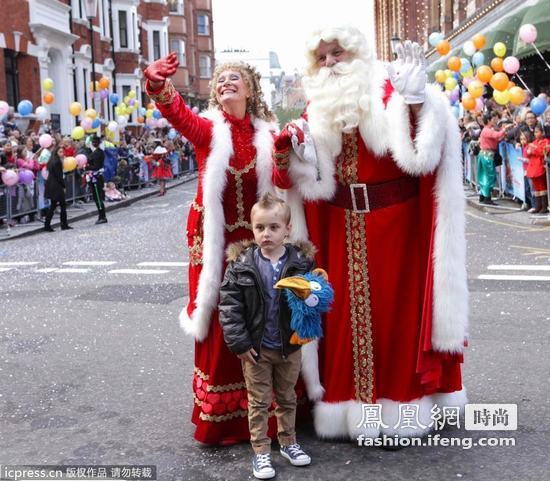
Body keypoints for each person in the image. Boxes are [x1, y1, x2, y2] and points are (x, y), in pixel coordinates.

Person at [272, 26, 468, 442]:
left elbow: (421, 156)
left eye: (336, 53)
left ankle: (400, 409)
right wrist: (295, 155)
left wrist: (416, 103)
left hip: (396, 230)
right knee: (342, 319)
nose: (329, 64)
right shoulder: (317, 110)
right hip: (340, 233)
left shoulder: (387, 93)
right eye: (321, 58)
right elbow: (301, 181)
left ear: (356, 54)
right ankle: (351, 410)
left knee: (396, 320)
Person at [144, 54, 280, 445]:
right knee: (223, 322)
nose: (225, 84)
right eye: (220, 81)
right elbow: (179, 115)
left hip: (259, 241)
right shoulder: (210, 131)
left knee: (263, 319)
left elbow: (287, 177)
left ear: (251, 89)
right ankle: (225, 420)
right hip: (215, 242)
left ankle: (269, 411)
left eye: (234, 78)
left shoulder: (267, 136)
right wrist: (158, 86)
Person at [219, 194, 313, 479]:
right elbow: (229, 306)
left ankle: (288, 443)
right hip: (255, 349)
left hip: (289, 346)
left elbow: (315, 298)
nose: (266, 234)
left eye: (273, 227)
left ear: (287, 228)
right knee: (259, 401)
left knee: (287, 398)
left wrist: (308, 318)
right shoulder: (242, 264)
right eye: (260, 228)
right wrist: (240, 343)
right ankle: (260, 451)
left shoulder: (300, 263)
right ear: (252, 229)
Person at [478, 112, 509, 205]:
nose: (495, 120)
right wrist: (504, 129)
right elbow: (497, 135)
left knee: (484, 176)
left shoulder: (488, 130)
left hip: (485, 155)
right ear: (488, 120)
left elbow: (497, 138)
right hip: (487, 155)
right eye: (493, 119)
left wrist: (503, 132)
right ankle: (487, 197)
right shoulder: (487, 130)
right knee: (489, 176)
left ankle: (483, 196)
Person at [44, 147, 72, 231]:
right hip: (56, 186)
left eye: (63, 152)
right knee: (60, 205)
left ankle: (49, 224)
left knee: (55, 205)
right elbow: (59, 176)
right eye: (60, 152)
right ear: (56, 152)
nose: (62, 153)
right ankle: (62, 224)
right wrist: (63, 186)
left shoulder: (52, 161)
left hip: (52, 185)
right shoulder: (57, 162)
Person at [525, 125, 549, 214]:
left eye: (537, 132)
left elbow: (543, 152)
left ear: (542, 133)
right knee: (536, 187)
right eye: (535, 132)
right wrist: (529, 151)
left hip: (540, 166)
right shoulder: (534, 142)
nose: (535, 134)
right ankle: (538, 206)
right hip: (533, 166)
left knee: (542, 186)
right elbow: (528, 152)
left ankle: (544, 206)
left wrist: (533, 150)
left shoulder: (546, 141)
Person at [85, 136, 108, 224]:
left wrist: (86, 167)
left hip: (96, 178)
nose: (93, 144)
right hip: (94, 177)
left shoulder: (98, 153)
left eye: (94, 142)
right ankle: (101, 215)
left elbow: (96, 167)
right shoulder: (95, 152)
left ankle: (102, 216)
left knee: (98, 197)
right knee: (97, 197)